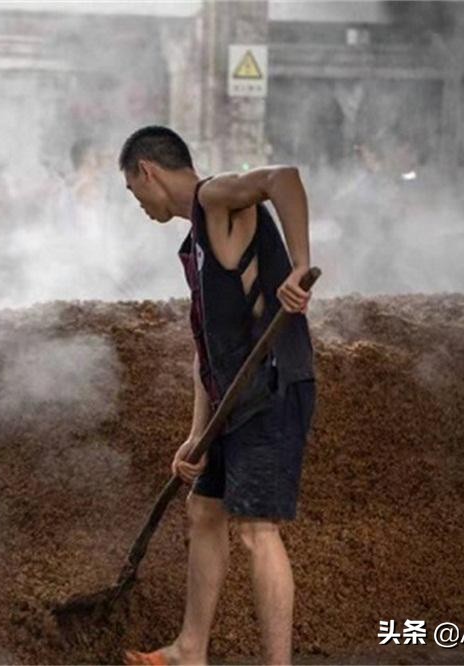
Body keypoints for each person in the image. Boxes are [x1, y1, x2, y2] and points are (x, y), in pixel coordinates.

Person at [118, 126, 317, 666]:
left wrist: (299, 264)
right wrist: (195, 436)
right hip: (231, 394)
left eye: (135, 194)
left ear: (148, 172)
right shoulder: (197, 244)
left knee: (256, 529)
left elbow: (284, 178)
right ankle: (190, 649)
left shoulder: (215, 199)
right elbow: (209, 348)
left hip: (272, 385)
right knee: (204, 510)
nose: (140, 206)